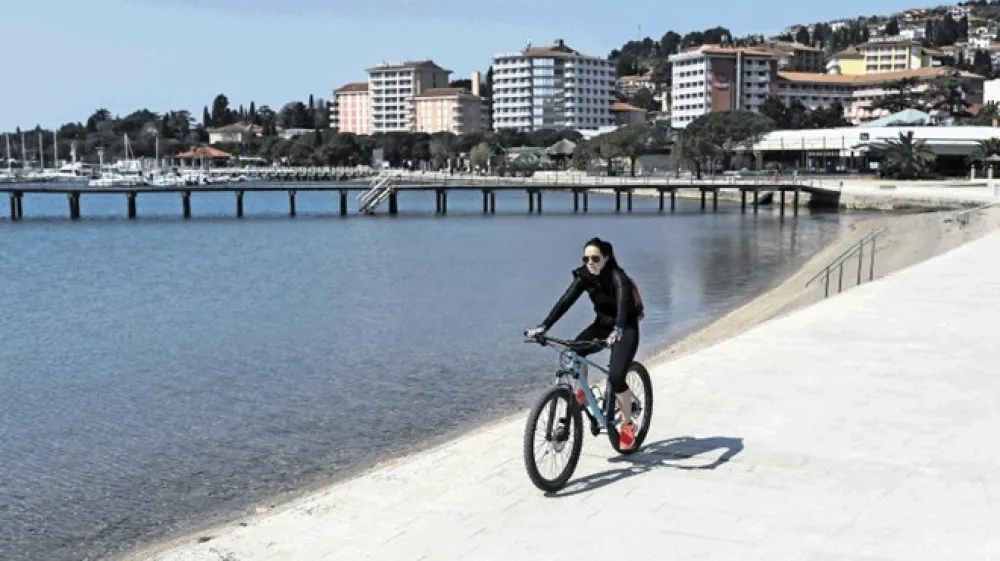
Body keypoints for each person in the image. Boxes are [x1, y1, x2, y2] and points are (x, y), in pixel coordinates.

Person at [524, 237, 642, 451]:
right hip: (602, 325)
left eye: (595, 258)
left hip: (625, 327)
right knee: (572, 353)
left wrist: (617, 330)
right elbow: (565, 301)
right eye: (586, 258)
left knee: (615, 379)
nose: (590, 262)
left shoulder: (618, 278)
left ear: (606, 258)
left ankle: (627, 425)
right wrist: (544, 327)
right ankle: (582, 392)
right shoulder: (585, 276)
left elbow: (624, 306)